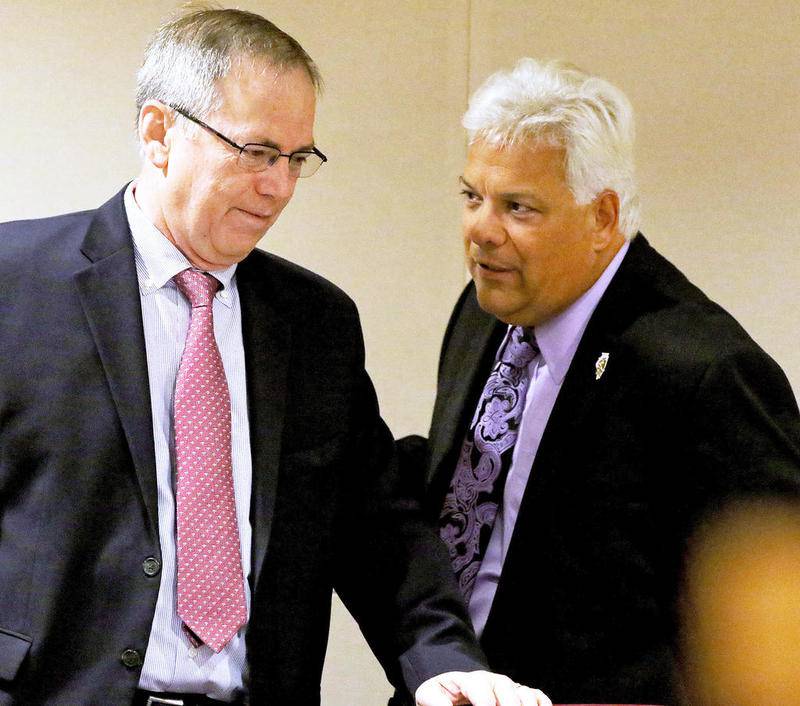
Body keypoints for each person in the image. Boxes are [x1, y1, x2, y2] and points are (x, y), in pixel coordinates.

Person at [0, 9, 551, 706]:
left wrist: (446, 663)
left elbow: (376, 527)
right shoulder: (15, 288)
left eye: (298, 159)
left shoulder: (315, 323)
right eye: (256, 152)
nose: (279, 187)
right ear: (159, 133)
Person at [397, 58, 800, 705]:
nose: (480, 230)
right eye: (472, 196)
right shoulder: (485, 308)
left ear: (603, 217)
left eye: (517, 207)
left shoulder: (704, 374)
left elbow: (768, 643)